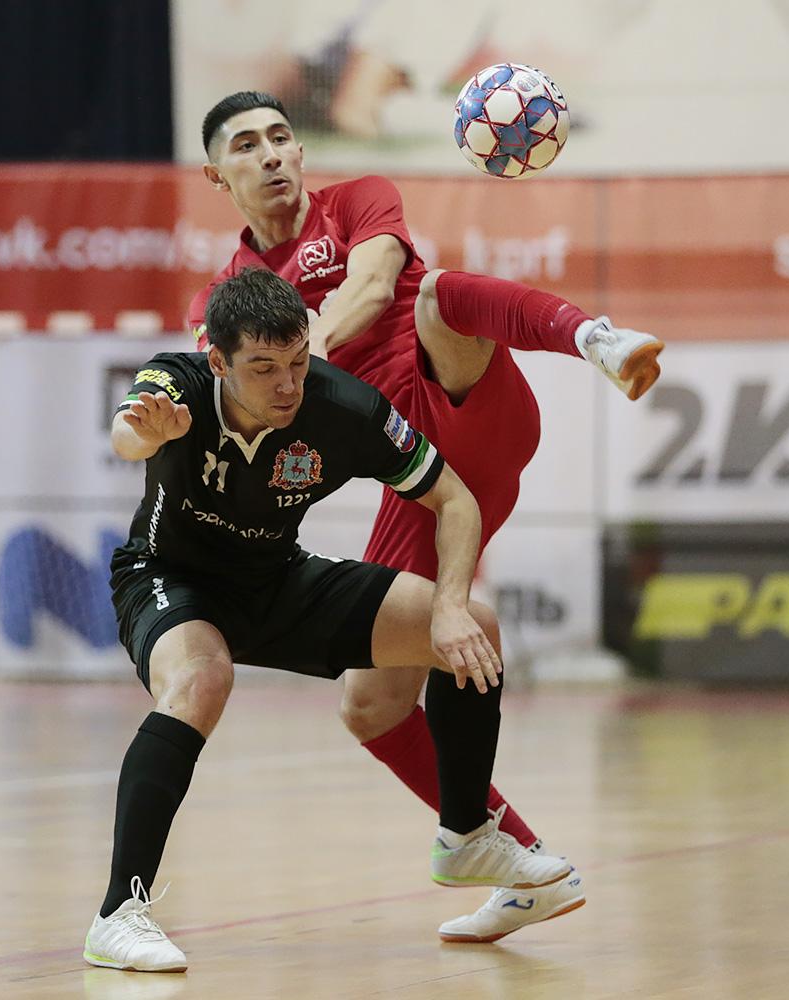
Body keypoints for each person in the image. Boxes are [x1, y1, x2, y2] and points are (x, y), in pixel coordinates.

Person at [190, 90, 662, 941]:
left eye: (282, 137)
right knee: (369, 705)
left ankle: (595, 338)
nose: (271, 154)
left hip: (467, 405)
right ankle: (516, 862)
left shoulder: (359, 200)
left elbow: (375, 283)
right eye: (247, 145)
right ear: (217, 175)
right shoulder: (225, 301)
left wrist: (301, 355)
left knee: (435, 296)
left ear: (301, 151)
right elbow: (233, 404)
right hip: (424, 481)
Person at [84, 268, 570, 973]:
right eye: (263, 368)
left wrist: (448, 606)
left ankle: (466, 832)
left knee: (477, 628)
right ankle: (118, 915)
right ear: (218, 362)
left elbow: (456, 501)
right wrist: (144, 435)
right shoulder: (177, 383)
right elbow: (127, 434)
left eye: (297, 361)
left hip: (275, 578)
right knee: (201, 681)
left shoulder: (344, 408)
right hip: (170, 578)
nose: (287, 385)